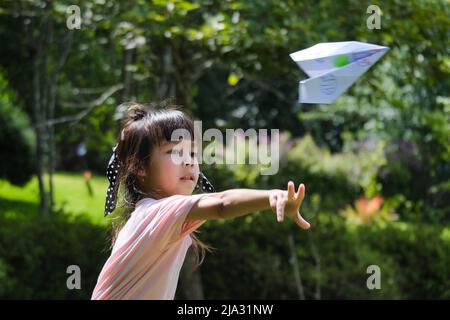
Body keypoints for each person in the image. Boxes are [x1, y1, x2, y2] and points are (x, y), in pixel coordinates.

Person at [91, 102, 310, 300]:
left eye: (193, 153)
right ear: (139, 167)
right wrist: (271, 196)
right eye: (174, 152)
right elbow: (222, 204)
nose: (188, 161)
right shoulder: (155, 212)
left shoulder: (153, 215)